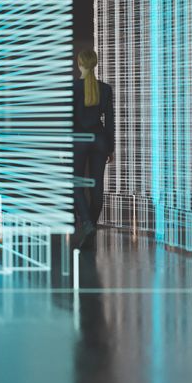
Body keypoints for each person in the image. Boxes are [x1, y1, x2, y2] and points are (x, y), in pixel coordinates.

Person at [72, 50, 115, 250]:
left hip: (78, 141)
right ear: (95, 64)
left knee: (76, 185)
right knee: (97, 189)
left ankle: (88, 224)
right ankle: (91, 226)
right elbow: (110, 123)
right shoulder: (105, 89)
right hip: (99, 141)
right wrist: (110, 147)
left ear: (79, 63)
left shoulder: (71, 88)